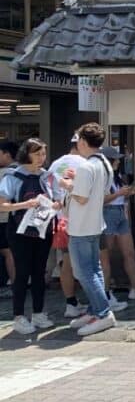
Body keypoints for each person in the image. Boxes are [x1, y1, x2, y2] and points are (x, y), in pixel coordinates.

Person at [60, 124, 116, 337]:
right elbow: (98, 192)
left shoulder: (86, 166)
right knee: (94, 270)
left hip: (81, 226)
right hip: (95, 224)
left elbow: (82, 198)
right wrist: (76, 181)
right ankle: (96, 310)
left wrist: (67, 185)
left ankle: (102, 313)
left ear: (83, 141)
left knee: (84, 272)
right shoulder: (104, 163)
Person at [0, 138, 56, 335]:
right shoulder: (13, 176)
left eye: (43, 154)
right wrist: (25, 204)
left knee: (39, 272)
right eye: (37, 154)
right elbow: (2, 205)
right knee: (22, 272)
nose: (41, 158)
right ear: (27, 154)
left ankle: (39, 313)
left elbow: (57, 199)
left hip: (42, 228)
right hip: (19, 231)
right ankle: (19, 316)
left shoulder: (47, 176)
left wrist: (55, 204)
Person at [100, 146, 135, 305]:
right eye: (116, 159)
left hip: (119, 212)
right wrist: (120, 193)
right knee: (106, 256)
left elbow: (118, 196)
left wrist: (129, 192)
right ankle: (105, 293)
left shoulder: (115, 176)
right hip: (108, 213)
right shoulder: (101, 176)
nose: (118, 161)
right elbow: (100, 200)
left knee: (129, 252)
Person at [46, 142, 88, 319]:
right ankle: (96, 303)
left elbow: (48, 190)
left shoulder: (55, 164)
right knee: (87, 262)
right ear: (81, 144)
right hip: (81, 219)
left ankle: (71, 303)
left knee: (66, 261)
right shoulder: (84, 164)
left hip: (60, 219)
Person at [0, 140, 19, 297]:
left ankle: (15, 285)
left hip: (4, 218)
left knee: (8, 252)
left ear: (7, 154)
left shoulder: (5, 173)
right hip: (19, 218)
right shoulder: (23, 170)